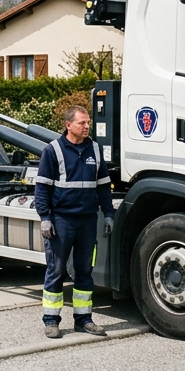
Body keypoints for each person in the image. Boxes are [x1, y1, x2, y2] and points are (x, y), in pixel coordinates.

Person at [33, 105, 114, 339]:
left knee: (84, 271)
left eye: (88, 122)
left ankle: (84, 319)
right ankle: (51, 321)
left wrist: (108, 213)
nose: (87, 126)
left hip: (88, 221)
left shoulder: (95, 150)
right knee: (56, 270)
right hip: (61, 221)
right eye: (82, 123)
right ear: (68, 125)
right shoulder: (53, 151)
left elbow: (103, 187)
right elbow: (42, 188)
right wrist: (45, 218)